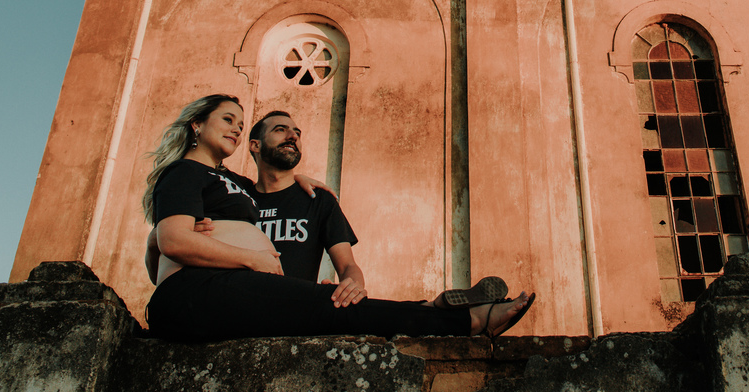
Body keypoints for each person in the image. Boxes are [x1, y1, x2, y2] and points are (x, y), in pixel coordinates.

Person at [142, 94, 534, 342]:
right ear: (197, 124)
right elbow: (173, 242)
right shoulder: (184, 172)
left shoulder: (232, 182)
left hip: (237, 293)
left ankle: (435, 311)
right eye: (228, 120)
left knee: (338, 305)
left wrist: (299, 179)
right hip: (199, 293)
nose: (236, 129)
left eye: (240, 124)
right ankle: (470, 322)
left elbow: (258, 190)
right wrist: (250, 257)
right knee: (331, 307)